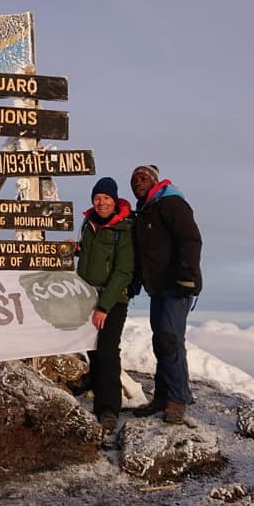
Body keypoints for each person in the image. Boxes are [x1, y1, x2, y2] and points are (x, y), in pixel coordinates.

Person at [128, 164, 202, 425]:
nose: (138, 182)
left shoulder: (172, 204)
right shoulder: (146, 209)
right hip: (158, 287)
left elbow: (191, 239)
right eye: (135, 179)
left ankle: (177, 399)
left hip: (178, 285)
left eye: (143, 177)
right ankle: (163, 396)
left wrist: (187, 276)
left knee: (170, 339)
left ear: (155, 181)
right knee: (161, 340)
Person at [75, 176, 135, 435]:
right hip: (87, 296)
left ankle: (109, 409)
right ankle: (98, 393)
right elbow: (93, 256)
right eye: (97, 198)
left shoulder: (124, 229)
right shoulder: (89, 225)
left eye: (106, 198)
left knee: (108, 351)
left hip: (113, 300)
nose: (101, 203)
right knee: (92, 349)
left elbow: (123, 270)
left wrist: (104, 307)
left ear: (115, 200)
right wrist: (78, 249)